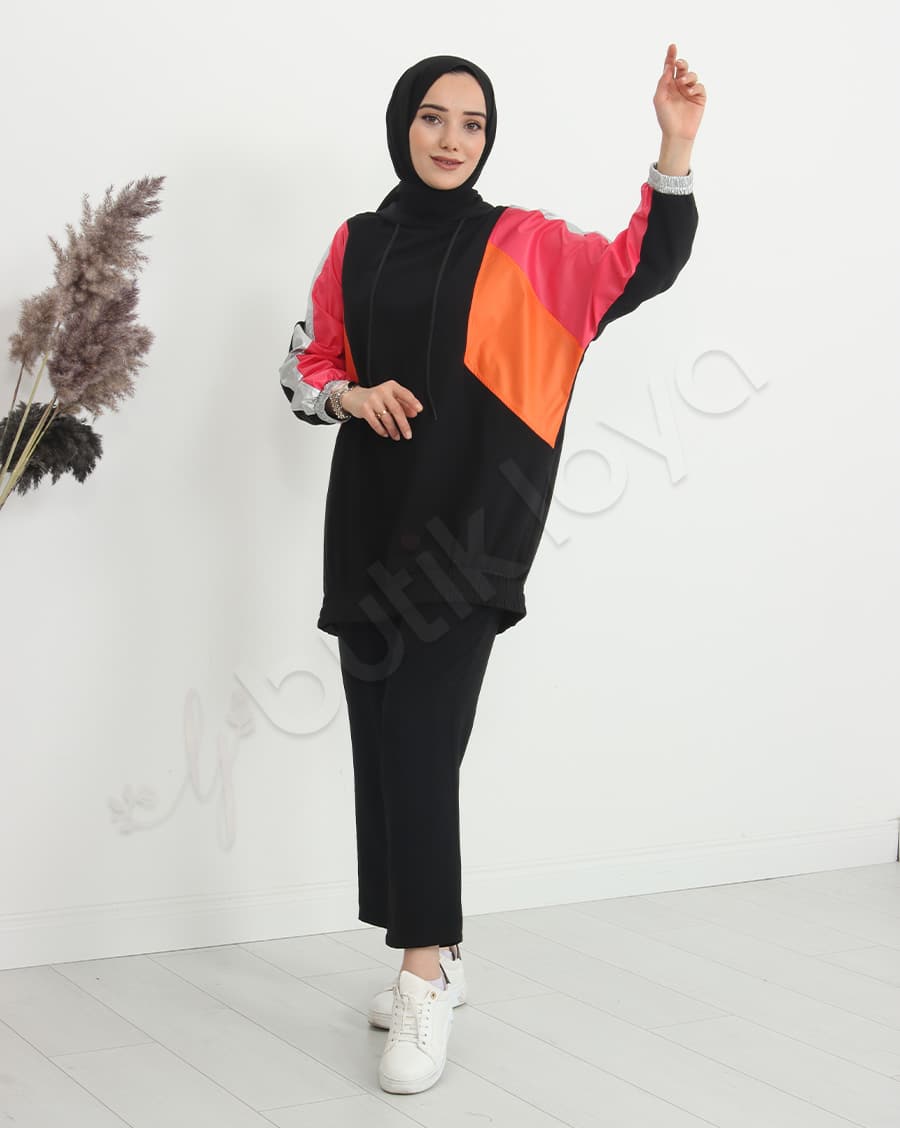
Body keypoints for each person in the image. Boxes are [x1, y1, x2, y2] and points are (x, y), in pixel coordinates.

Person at [279, 46, 706, 1095]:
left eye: (471, 123)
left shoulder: (524, 245)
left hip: (470, 537)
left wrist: (675, 149)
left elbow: (637, 266)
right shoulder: (355, 242)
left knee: (420, 744)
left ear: (488, 139)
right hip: (368, 528)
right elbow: (303, 364)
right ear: (403, 126)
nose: (452, 138)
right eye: (433, 116)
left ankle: (425, 975)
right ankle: (433, 948)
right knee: (384, 747)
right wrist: (349, 396)